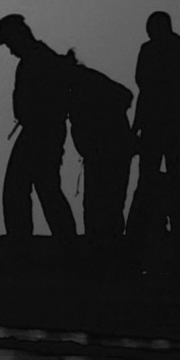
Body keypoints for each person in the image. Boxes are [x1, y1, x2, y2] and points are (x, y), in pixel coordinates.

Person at [0, 15, 76, 240]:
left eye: (10, 43)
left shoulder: (40, 60)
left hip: (42, 132)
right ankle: (60, 241)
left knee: (29, 189)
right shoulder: (38, 59)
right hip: (40, 131)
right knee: (41, 189)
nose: (10, 50)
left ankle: (31, 244)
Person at [129, 12, 180, 248]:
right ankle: (179, 232)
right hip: (175, 126)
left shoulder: (150, 51)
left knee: (153, 178)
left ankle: (146, 230)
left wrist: (136, 126)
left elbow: (145, 90)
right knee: (178, 180)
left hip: (163, 125)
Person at [66, 51, 136, 254]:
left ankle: (106, 246)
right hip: (105, 149)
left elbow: (125, 96)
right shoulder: (81, 84)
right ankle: (103, 244)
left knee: (104, 200)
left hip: (109, 149)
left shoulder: (84, 84)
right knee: (105, 200)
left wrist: (101, 126)